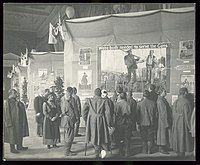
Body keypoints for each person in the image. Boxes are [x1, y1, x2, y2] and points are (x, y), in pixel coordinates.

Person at [82, 88, 112, 159]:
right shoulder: (104, 101)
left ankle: (97, 151)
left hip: (92, 120)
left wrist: (86, 119)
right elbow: (108, 113)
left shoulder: (89, 100)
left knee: (93, 135)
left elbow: (83, 112)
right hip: (101, 120)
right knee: (102, 135)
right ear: (100, 94)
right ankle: (102, 151)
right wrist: (108, 123)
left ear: (94, 93)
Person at [3, 89, 29, 153]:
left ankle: (19, 146)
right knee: (12, 135)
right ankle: (12, 149)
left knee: (19, 133)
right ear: (11, 94)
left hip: (19, 121)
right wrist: (9, 122)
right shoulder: (7, 101)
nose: (16, 94)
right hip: (12, 121)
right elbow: (6, 112)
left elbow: (21, 107)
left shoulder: (16, 101)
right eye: (14, 93)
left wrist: (19, 102)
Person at [171, 87, 193, 157]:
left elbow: (173, 114)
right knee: (183, 138)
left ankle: (178, 153)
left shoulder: (175, 102)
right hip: (183, 123)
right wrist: (190, 127)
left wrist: (178, 116)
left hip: (176, 123)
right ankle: (182, 154)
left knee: (177, 137)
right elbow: (187, 116)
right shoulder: (186, 102)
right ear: (185, 93)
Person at [136, 90, 157, 154]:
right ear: (149, 95)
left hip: (142, 123)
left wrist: (138, 123)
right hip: (151, 123)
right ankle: (149, 150)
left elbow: (137, 115)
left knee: (143, 137)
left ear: (143, 95)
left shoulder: (139, 104)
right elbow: (156, 114)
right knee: (150, 137)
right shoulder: (153, 103)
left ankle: (144, 150)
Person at [60, 87, 79, 156]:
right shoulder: (72, 99)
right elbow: (75, 109)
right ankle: (67, 152)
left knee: (66, 135)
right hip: (70, 119)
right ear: (71, 92)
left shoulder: (62, 98)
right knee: (70, 136)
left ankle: (68, 150)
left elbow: (62, 108)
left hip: (65, 119)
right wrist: (77, 118)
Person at [114, 92, 132, 157]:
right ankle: (127, 152)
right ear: (125, 97)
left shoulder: (117, 104)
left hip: (119, 123)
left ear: (120, 97)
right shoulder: (128, 104)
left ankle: (121, 152)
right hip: (127, 122)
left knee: (120, 138)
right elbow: (130, 113)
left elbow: (115, 113)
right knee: (127, 138)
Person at [156, 88, 172, 154]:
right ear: (161, 92)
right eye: (164, 91)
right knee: (162, 134)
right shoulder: (161, 100)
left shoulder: (162, 99)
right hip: (163, 120)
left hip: (163, 119)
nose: (165, 93)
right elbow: (163, 112)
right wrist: (166, 122)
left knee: (163, 134)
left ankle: (164, 147)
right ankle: (161, 148)